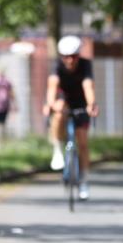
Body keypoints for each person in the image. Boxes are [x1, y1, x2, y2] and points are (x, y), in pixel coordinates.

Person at [43, 35, 98, 200]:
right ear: (61, 57)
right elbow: (52, 86)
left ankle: (84, 181)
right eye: (66, 56)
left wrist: (92, 104)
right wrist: (50, 104)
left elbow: (88, 86)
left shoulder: (85, 65)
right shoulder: (57, 67)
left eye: (73, 56)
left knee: (82, 143)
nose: (70, 60)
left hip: (81, 103)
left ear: (78, 56)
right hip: (64, 101)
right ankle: (58, 150)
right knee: (59, 112)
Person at [0, 66, 16, 144]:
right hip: (1, 105)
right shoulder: (6, 81)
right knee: (1, 125)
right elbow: (12, 94)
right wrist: (14, 104)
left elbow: (11, 93)